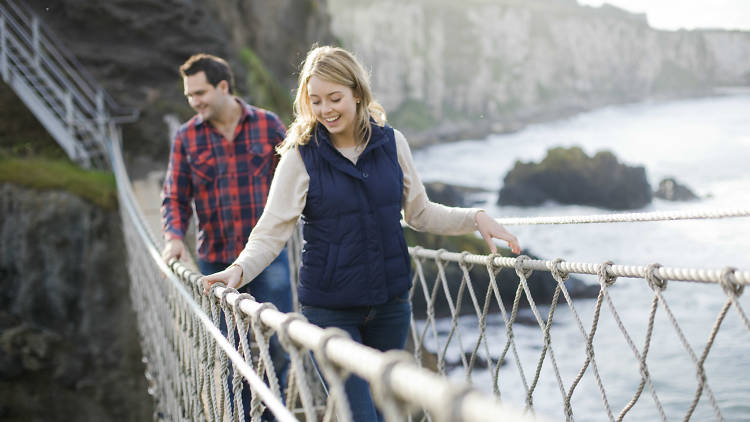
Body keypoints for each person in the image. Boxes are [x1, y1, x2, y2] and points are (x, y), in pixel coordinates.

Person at [201, 45, 521, 422]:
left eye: (335, 98)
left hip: (391, 307)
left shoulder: (392, 143)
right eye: (315, 100)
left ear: (357, 92)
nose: (326, 110)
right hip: (329, 310)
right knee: (361, 417)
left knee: (388, 416)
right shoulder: (300, 156)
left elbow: (419, 213)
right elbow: (272, 230)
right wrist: (237, 271)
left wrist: (475, 217)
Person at [160, 53, 292, 419]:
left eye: (199, 92)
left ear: (223, 86)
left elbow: (297, 185)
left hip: (267, 258)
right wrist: (173, 237)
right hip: (216, 260)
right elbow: (174, 195)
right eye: (189, 95)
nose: (194, 101)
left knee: (277, 344)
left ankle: (273, 414)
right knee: (230, 351)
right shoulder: (187, 137)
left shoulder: (268, 126)